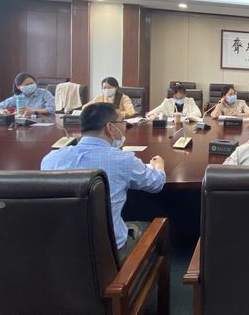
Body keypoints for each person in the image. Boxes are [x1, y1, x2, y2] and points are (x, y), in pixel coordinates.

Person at [41, 103, 166, 262]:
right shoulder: (123, 160)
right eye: (122, 123)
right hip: (109, 254)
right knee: (147, 226)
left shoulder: (51, 159)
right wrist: (159, 165)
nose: (125, 127)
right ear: (110, 127)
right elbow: (156, 184)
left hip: (62, 252)